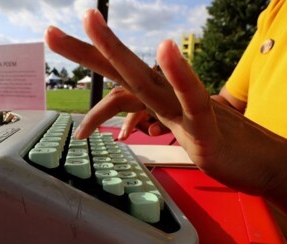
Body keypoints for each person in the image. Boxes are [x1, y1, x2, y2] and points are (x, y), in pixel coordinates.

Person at [44, 5, 287, 218]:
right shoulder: (276, 9)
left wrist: (276, 171)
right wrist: (165, 106)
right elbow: (229, 102)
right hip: (238, 195)